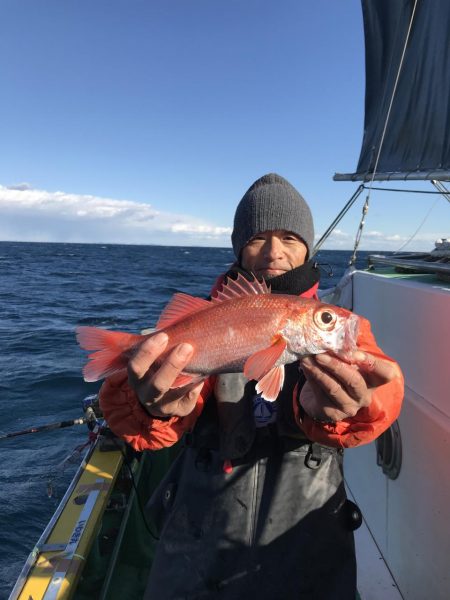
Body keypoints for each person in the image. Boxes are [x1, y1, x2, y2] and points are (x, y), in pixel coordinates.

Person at [100, 173, 404, 600]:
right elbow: (152, 427)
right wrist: (153, 406)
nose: (274, 251)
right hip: (200, 532)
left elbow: (383, 386)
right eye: (258, 237)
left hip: (307, 537)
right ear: (239, 247)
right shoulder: (209, 316)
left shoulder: (337, 328)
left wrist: (356, 405)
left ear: (308, 247)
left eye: (289, 236)